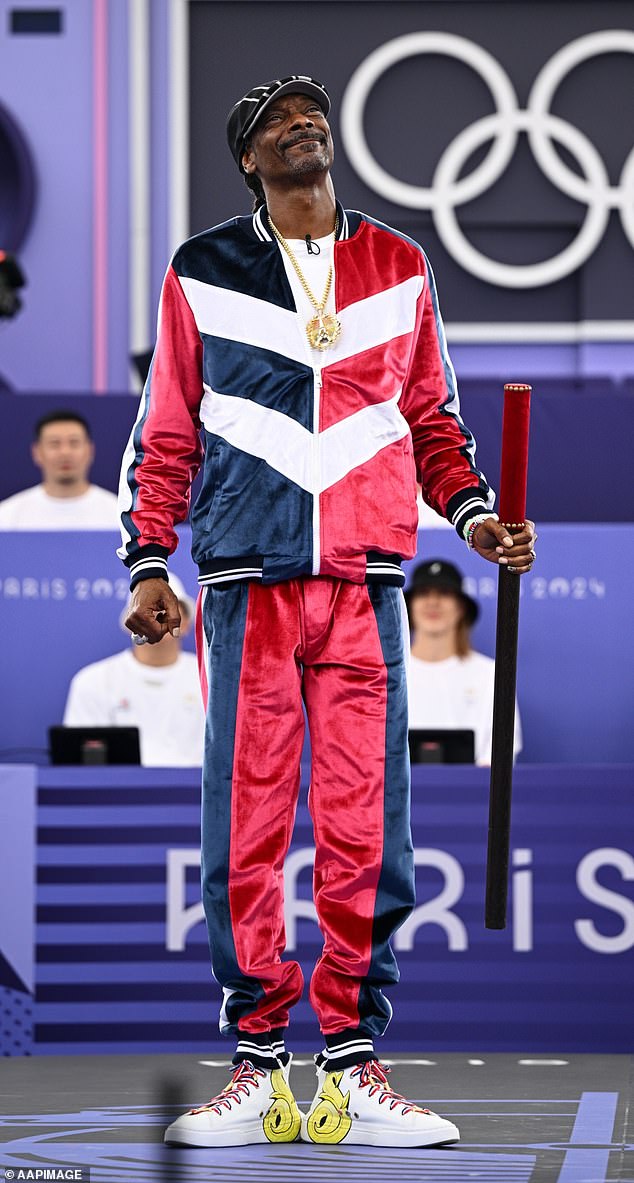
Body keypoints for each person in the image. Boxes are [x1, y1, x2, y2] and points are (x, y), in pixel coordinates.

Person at [117, 74, 536, 1150]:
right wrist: (146, 560)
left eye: (311, 111)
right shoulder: (200, 269)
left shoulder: (399, 265)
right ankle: (259, 1067)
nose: (302, 123)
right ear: (248, 158)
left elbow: (432, 417)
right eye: (274, 121)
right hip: (247, 583)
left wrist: (474, 514)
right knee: (245, 828)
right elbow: (166, 432)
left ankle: (352, 1065)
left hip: (366, 579)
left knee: (366, 828)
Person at [63, 573, 204, 767]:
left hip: (198, 796)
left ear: (187, 622)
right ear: (131, 622)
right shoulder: (92, 682)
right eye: (149, 608)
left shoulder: (212, 681)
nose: (158, 616)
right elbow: (82, 766)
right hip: (114, 796)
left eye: (168, 607)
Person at [406, 559, 522, 765]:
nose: (433, 602)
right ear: (409, 607)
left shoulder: (490, 674)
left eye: (444, 593)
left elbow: (503, 751)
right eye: (423, 593)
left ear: (460, 608)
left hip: (472, 795)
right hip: (396, 794)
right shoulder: (385, 674)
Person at [0, 410, 118, 529]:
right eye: (54, 444)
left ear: (90, 450)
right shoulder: (7, 517)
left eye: (74, 443)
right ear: (37, 452)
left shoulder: (120, 515)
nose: (65, 453)